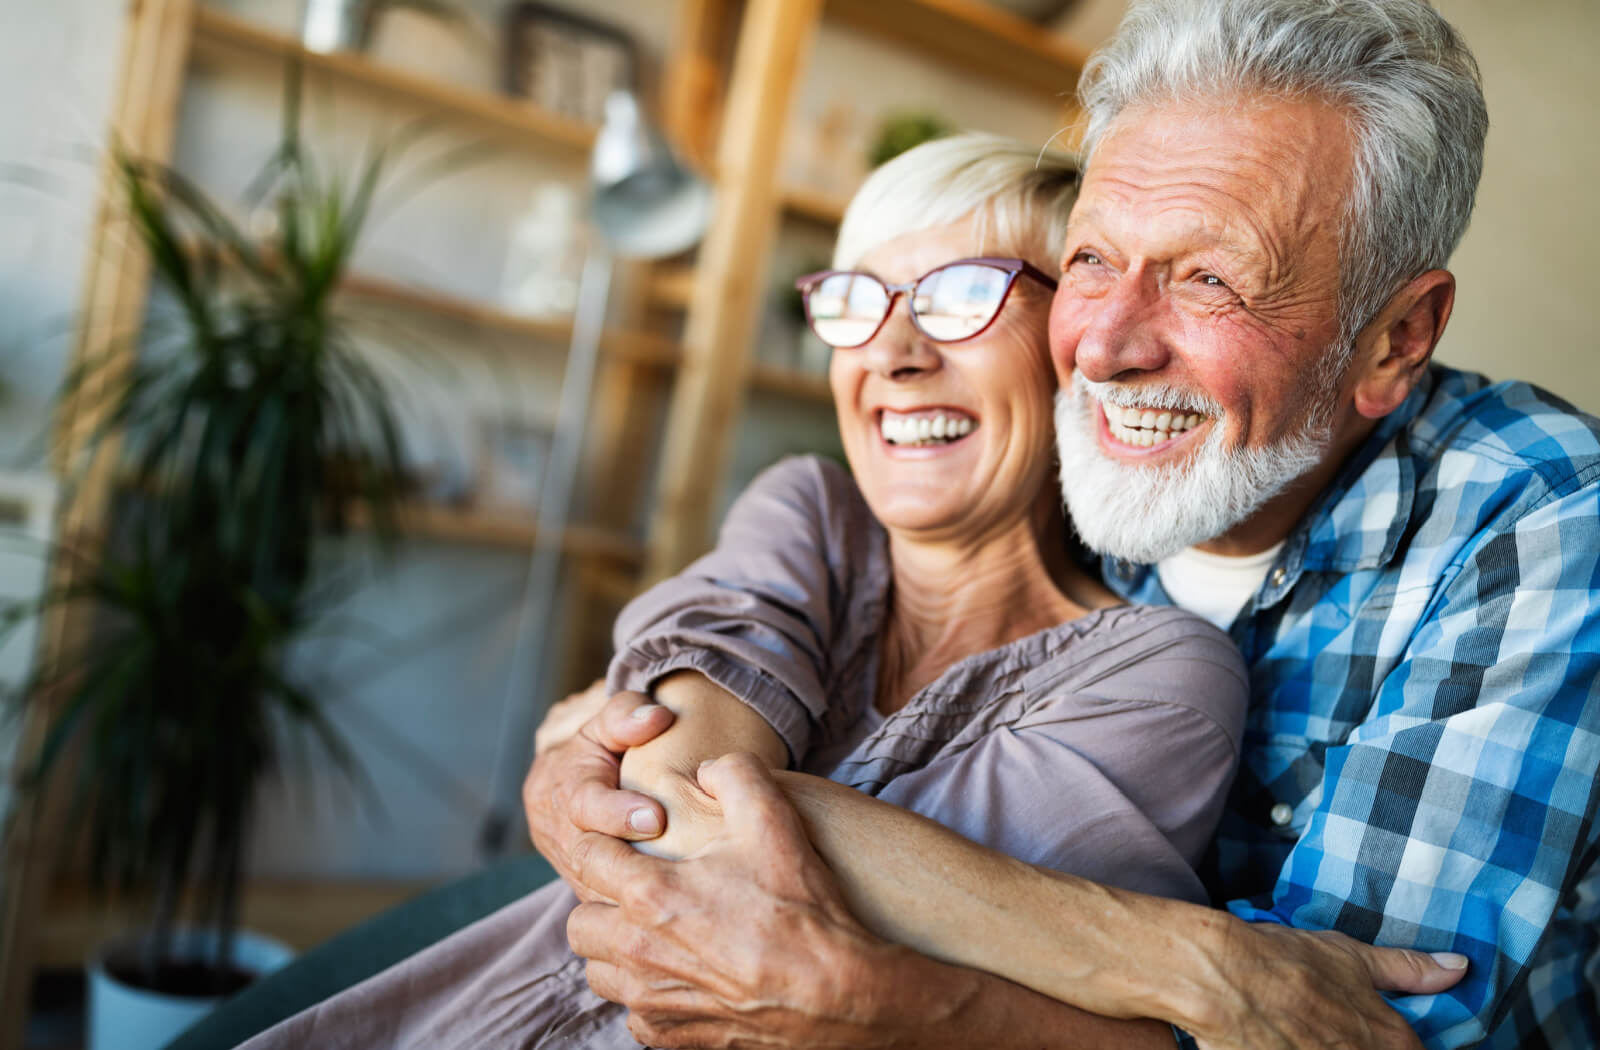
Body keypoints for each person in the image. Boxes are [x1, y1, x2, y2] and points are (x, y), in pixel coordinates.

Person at [537, 1, 1600, 1048]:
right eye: (1093, 260)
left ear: (1394, 338)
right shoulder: (1055, 477)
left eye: (1208, 279)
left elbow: (1352, 1030)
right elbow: (686, 714)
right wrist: (1187, 962)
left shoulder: (1543, 517)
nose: (1104, 347)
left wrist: (900, 1005)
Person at [236, 134, 1253, 1048]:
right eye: (859, 302)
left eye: (959, 294)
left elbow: (769, 901)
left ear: (1071, 347)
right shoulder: (808, 510)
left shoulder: (1159, 675)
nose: (894, 356)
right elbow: (658, 807)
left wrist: (604, 732)